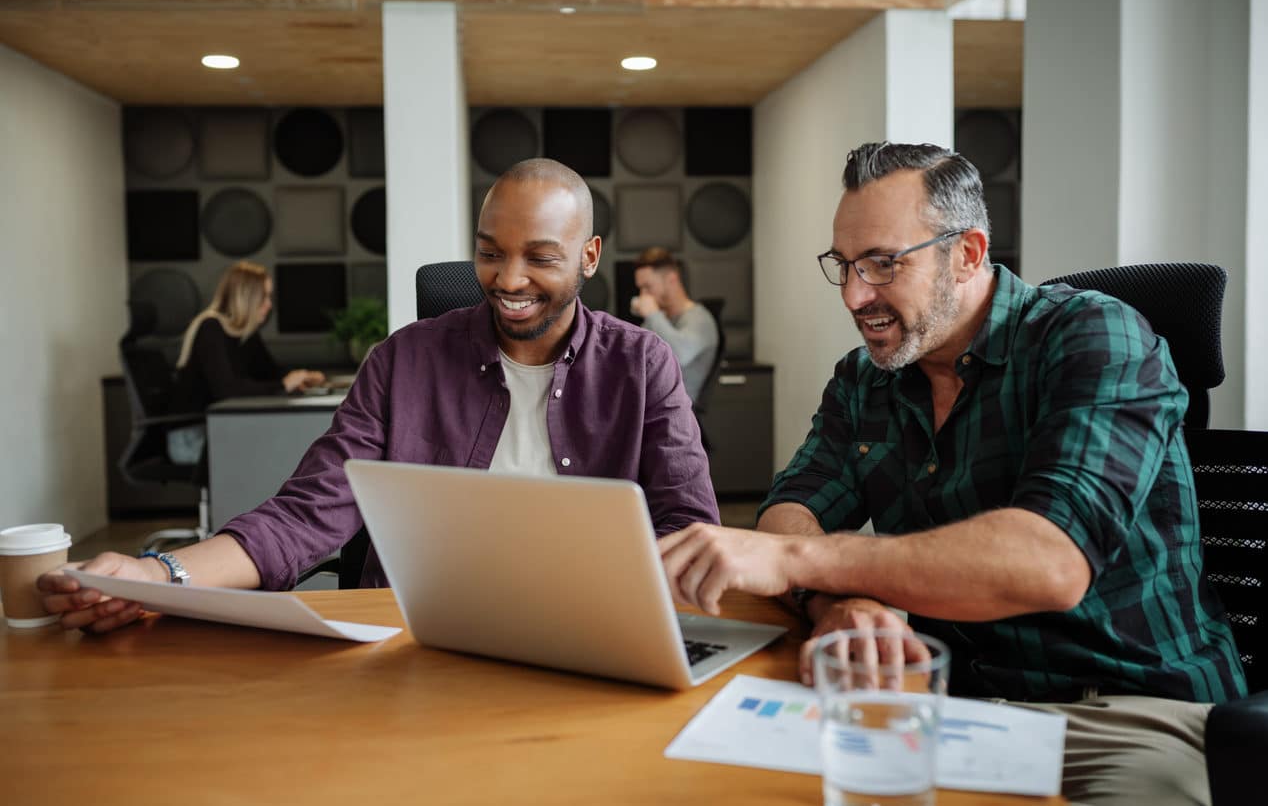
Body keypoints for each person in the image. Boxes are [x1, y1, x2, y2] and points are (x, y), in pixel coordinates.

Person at [658, 142, 1244, 806]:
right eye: (844, 265)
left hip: (1129, 713)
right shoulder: (863, 381)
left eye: (882, 263)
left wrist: (798, 559)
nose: (855, 295)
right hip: (951, 708)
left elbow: (1049, 563)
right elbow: (791, 507)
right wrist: (841, 604)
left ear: (966, 252)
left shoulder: (1096, 337)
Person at [41, 158, 718, 630]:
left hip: (590, 626)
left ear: (589, 256)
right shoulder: (404, 360)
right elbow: (307, 514)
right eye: (489, 252)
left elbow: (690, 529)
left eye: (540, 256)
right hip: (420, 636)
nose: (509, 279)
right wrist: (159, 576)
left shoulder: (642, 363)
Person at [165, 261, 326, 462]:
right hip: (192, 437)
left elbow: (270, 371)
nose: (269, 304)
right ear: (247, 298)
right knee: (276, 453)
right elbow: (228, 390)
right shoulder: (211, 328)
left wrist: (303, 377)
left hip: (220, 429)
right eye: (264, 297)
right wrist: (284, 385)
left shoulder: (246, 334)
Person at [630, 247, 720, 404]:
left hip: (675, 414)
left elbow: (678, 355)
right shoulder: (662, 318)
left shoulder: (700, 319)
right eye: (640, 288)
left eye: (648, 287)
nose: (643, 295)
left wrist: (652, 314)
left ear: (672, 279)